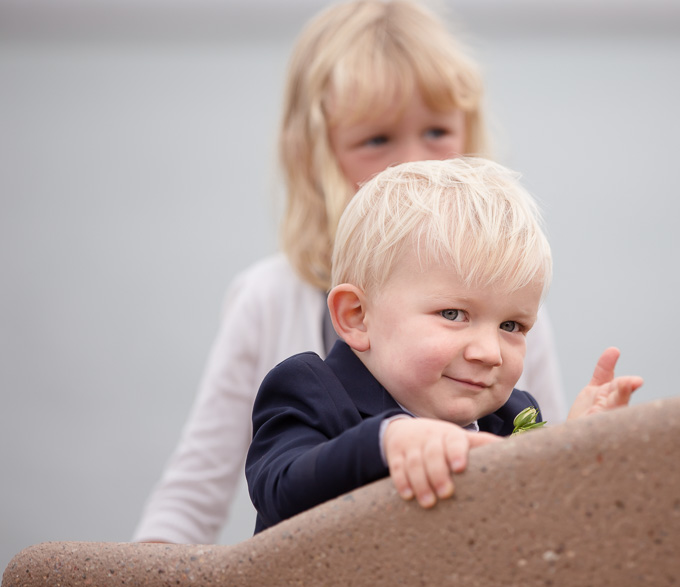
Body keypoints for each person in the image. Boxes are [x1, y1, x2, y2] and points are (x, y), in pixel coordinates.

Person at [133, 0, 566, 545]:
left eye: (436, 131)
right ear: (316, 154)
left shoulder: (503, 314)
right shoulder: (269, 300)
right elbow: (196, 495)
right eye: (377, 140)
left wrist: (582, 444)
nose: (414, 163)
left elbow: (536, 482)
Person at [247, 157, 643, 533]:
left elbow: (538, 534)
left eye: (511, 325)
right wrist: (387, 441)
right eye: (453, 314)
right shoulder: (310, 391)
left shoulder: (510, 416)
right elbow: (278, 490)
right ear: (356, 316)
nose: (489, 352)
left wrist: (574, 450)